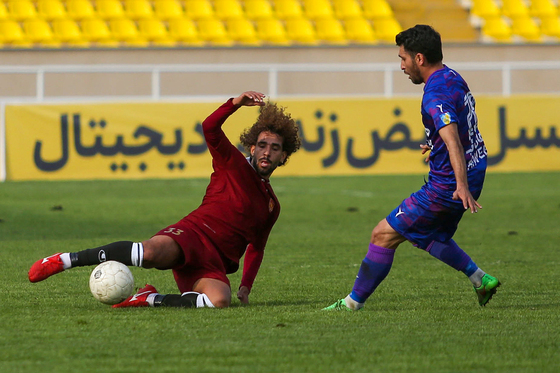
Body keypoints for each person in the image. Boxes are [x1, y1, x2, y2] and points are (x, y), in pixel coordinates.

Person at [28, 91, 301, 309]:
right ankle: (65, 260)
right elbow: (209, 127)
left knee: (219, 302)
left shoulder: (271, 206)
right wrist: (235, 103)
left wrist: (245, 286)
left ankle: (149, 298)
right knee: (147, 254)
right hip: (192, 235)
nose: (267, 152)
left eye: (275, 148)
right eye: (262, 146)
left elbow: (257, 247)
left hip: (213, 263)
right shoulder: (232, 162)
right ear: (252, 148)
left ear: (283, 157)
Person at [323, 25, 500, 311]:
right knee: (427, 234)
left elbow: (453, 137)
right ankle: (480, 279)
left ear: (419, 58)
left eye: (403, 58)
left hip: (449, 185)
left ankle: (351, 304)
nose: (402, 66)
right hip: (473, 168)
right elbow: (461, 125)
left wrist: (460, 184)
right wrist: (435, 145)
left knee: (382, 234)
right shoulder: (452, 76)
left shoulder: (434, 96)